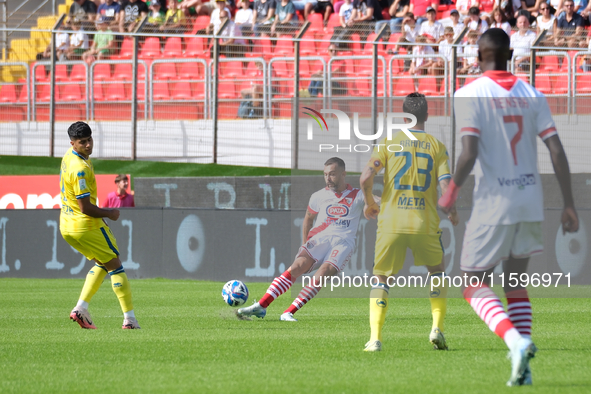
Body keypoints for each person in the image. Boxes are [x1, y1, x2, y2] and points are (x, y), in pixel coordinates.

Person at [438, 28, 578, 386]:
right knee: (515, 283)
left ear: (478, 55)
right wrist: (569, 204)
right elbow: (557, 151)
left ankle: (515, 342)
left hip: (493, 203)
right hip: (531, 200)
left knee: (471, 282)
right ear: (510, 54)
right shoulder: (533, 94)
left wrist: (452, 189)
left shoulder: (469, 93)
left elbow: (468, 153)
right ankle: (524, 366)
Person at [360, 92, 459, 352]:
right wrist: (452, 211)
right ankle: (437, 328)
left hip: (391, 223)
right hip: (424, 223)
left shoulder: (389, 143)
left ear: (404, 117)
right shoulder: (437, 147)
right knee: (437, 272)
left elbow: (365, 177)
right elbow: (446, 185)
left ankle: (375, 339)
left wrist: (370, 202)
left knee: (381, 278)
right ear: (427, 115)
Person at [237, 158, 376, 321]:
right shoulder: (318, 196)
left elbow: (377, 201)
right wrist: (304, 245)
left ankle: (288, 312)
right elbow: (308, 220)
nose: (328, 178)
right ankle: (261, 306)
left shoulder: (358, 195)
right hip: (319, 240)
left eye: (332, 174)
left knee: (323, 272)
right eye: (325, 175)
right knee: (296, 267)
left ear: (343, 174)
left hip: (343, 243)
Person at [61, 122, 140, 330]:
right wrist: (109, 213)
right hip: (84, 224)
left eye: (89, 140)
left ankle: (81, 308)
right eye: (82, 142)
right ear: (73, 143)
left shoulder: (69, 156)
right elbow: (85, 207)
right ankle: (130, 320)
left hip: (67, 226)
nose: (87, 145)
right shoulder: (79, 169)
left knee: (103, 262)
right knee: (115, 264)